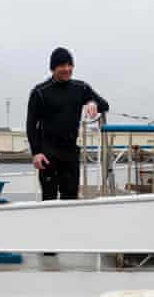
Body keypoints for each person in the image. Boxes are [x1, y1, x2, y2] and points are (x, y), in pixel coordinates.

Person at [26, 47, 109, 201]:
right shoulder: (39, 92)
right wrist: (36, 153)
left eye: (70, 65)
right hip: (48, 154)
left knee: (71, 199)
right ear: (53, 68)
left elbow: (105, 105)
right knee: (49, 199)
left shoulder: (80, 88)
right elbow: (31, 125)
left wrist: (92, 102)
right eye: (62, 66)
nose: (67, 69)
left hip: (70, 153)